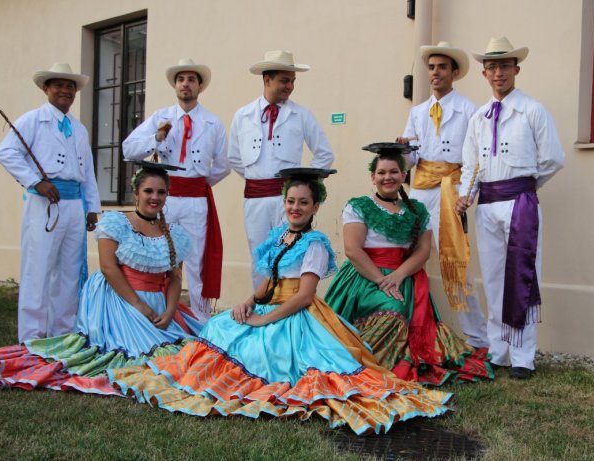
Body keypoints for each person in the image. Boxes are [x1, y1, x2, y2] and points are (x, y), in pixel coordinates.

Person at [109, 168, 452, 435]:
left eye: (303, 202)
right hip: (269, 304)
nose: (295, 208)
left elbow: (304, 296)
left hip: (295, 315)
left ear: (315, 207)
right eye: (290, 201)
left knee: (263, 353)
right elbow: (268, 283)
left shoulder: (315, 244)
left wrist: (263, 319)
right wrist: (247, 302)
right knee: (219, 326)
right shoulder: (280, 235)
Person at [0, 164, 202, 394]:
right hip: (121, 300)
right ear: (136, 193)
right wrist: (139, 305)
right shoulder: (117, 223)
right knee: (150, 355)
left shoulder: (174, 233)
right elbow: (109, 268)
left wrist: (171, 311)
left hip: (159, 305)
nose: (155, 197)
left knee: (192, 352)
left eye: (161, 192)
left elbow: (174, 277)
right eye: (148, 191)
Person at [324, 144, 493, 386]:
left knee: (399, 308)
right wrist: (382, 281)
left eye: (394, 172)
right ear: (373, 177)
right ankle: (357, 363)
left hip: (402, 277)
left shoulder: (417, 210)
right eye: (381, 172)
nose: (387, 177)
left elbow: (423, 251)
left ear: (404, 175)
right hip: (365, 277)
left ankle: (380, 363)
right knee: (391, 308)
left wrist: (400, 275)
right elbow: (353, 250)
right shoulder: (359, 206)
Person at [456, 37, 565, 380]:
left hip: (520, 203)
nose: (498, 72)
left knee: (523, 275)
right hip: (487, 204)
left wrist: (526, 188)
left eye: (504, 66)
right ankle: (499, 350)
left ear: (516, 69)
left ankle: (523, 355)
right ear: (484, 73)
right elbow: (469, 163)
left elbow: (552, 159)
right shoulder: (478, 117)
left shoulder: (532, 110)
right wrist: (466, 193)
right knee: (492, 278)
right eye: (492, 67)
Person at [0, 63, 101, 343]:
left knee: (68, 273)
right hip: (44, 205)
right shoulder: (33, 120)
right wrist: (35, 181)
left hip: (74, 206)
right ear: (46, 89)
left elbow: (87, 172)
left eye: (70, 87)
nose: (65, 91)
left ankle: (62, 334)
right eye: (59, 85)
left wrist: (92, 207)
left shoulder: (79, 129)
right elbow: (6, 152)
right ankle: (32, 337)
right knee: (38, 270)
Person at [396, 42, 488, 349]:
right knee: (408, 256)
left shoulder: (469, 110)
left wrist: (466, 193)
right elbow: (412, 160)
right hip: (421, 191)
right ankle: (405, 328)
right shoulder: (418, 112)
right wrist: (403, 151)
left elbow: (475, 157)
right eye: (432, 67)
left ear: (455, 72)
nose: (436, 73)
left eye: (442, 67)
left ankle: (478, 337)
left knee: (455, 260)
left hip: (450, 190)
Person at [123, 58, 229, 321]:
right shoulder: (161, 117)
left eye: (191, 80)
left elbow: (224, 164)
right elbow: (128, 149)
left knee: (196, 260)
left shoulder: (213, 123)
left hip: (196, 198)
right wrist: (155, 139)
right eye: (181, 80)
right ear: (175, 85)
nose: (185, 84)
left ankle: (201, 319)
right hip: (164, 198)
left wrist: (200, 184)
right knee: (161, 254)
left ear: (200, 87)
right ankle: (157, 311)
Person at [228, 50, 334, 288]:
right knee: (259, 255)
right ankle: (260, 307)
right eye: (285, 80)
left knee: (288, 255)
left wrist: (303, 184)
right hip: (254, 199)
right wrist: (257, 179)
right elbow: (234, 157)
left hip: (286, 198)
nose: (290, 86)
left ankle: (285, 308)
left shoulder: (301, 115)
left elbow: (325, 154)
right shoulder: (243, 115)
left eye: (293, 81)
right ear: (267, 80)